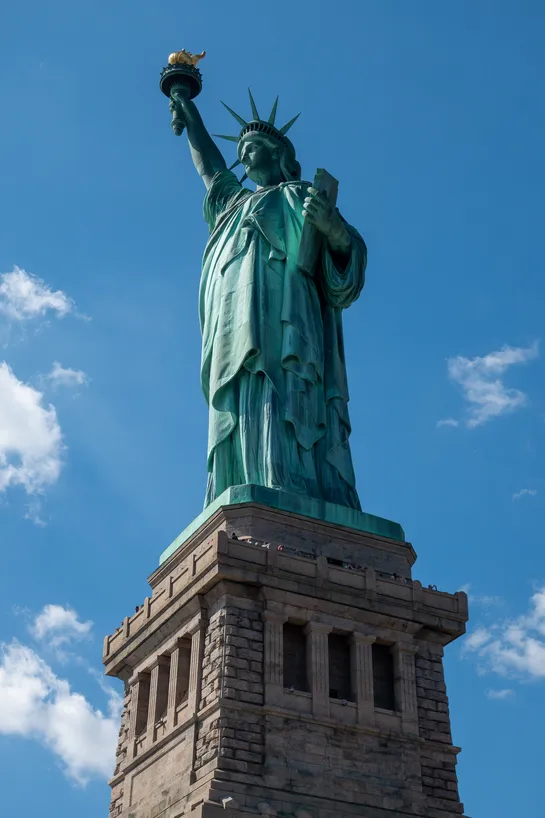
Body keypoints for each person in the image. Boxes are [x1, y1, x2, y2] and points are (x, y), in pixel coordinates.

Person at [169, 91, 367, 510]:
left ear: (278, 155)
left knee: (287, 389)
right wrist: (188, 110)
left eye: (252, 147)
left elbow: (346, 265)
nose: (244, 155)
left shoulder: (299, 195)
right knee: (244, 391)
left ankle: (294, 483)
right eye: (240, 150)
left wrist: (332, 230)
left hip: (288, 321)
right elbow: (209, 165)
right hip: (234, 324)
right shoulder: (232, 204)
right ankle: (244, 480)